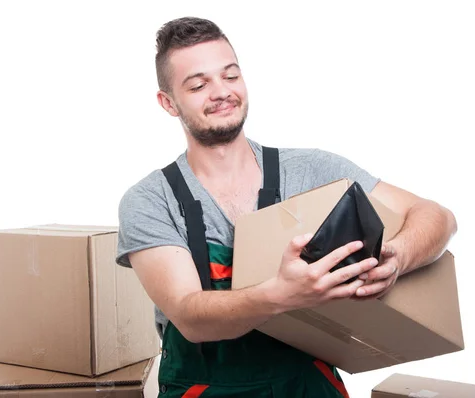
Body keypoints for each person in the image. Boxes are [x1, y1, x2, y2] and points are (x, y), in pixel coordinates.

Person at [116, 16, 457, 398]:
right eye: (198, 84)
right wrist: (280, 296)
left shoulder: (314, 170)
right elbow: (191, 316)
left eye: (231, 76)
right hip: (205, 388)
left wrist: (399, 258)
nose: (221, 92)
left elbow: (437, 216)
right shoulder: (150, 200)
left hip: (308, 385)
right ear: (169, 103)